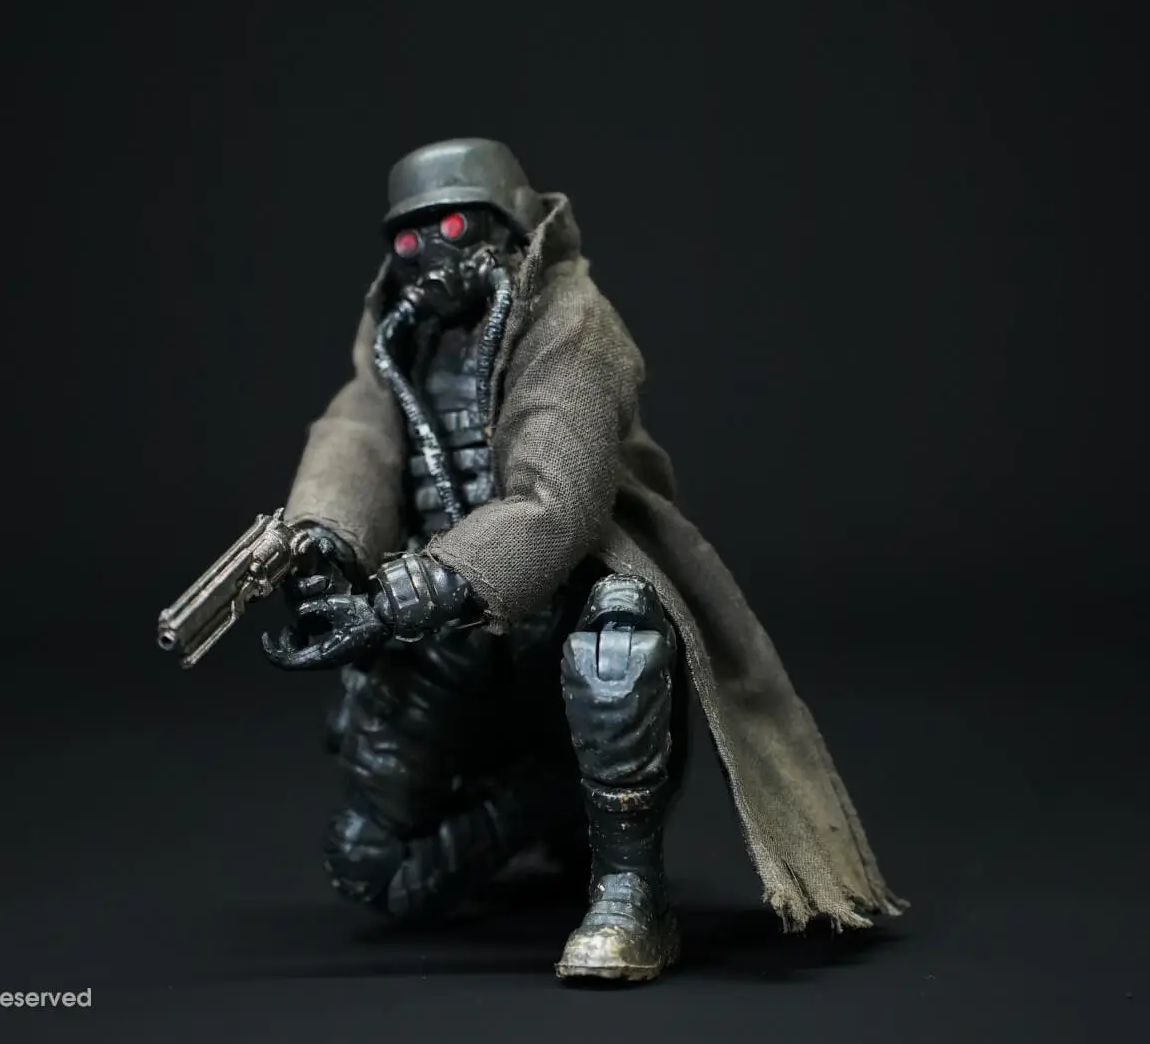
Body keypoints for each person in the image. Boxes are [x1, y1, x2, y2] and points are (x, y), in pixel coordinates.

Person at [262, 138, 904, 983]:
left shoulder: (569, 319)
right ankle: (544, 801)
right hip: (442, 629)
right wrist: (324, 539)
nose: (430, 256)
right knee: (370, 867)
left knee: (620, 635)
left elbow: (554, 503)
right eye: (410, 239)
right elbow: (356, 435)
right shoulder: (400, 337)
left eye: (453, 228)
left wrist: (410, 591)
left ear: (509, 227)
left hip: (561, 593)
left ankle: (630, 895)